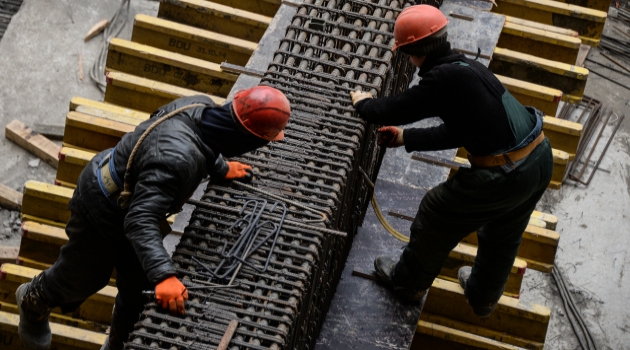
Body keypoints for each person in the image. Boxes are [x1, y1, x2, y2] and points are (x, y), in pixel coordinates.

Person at [16, 86, 291, 350]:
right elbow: (140, 219)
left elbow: (204, 139)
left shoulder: (200, 105)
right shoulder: (176, 158)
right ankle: (34, 301)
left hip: (134, 200)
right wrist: (165, 275)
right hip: (102, 204)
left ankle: (117, 344)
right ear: (247, 139)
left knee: (139, 290)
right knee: (85, 277)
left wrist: (219, 167)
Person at [350, 5, 553, 317]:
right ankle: (483, 296)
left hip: (506, 174)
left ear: (411, 51)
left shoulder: (442, 78)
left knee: (436, 211)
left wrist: (363, 104)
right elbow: (463, 130)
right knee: (503, 232)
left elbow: (396, 108)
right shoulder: (465, 67)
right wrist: (407, 138)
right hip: (538, 157)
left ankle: (408, 283)